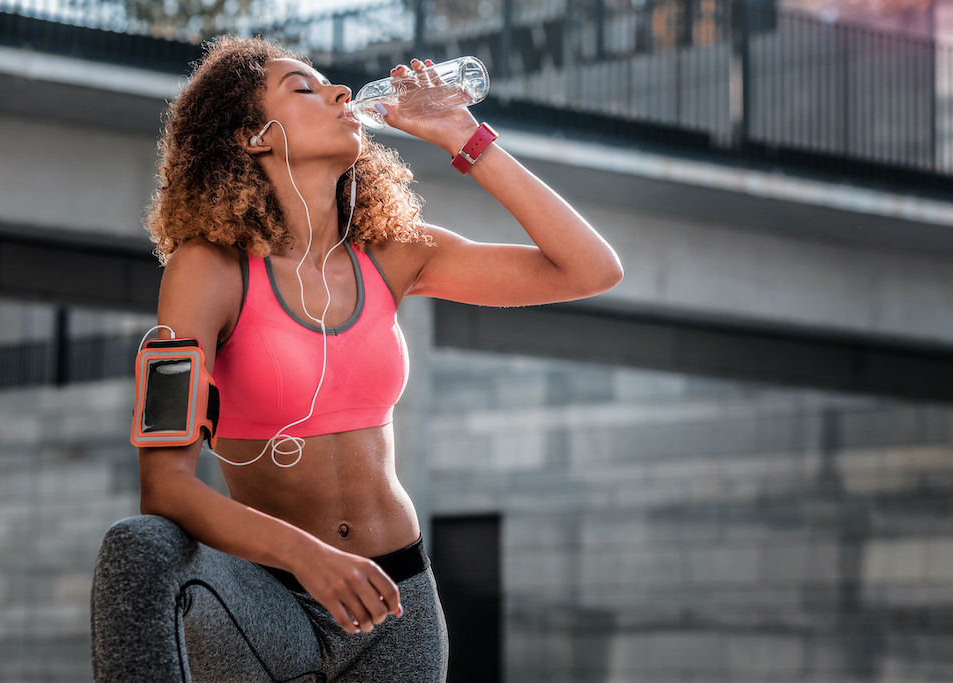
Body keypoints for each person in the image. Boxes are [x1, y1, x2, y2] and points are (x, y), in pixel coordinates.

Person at [90, 35, 622, 682]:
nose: (342, 92)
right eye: (305, 88)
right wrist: (307, 555)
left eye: (333, 83)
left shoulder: (393, 252)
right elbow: (164, 486)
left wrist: (464, 136)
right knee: (138, 547)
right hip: (265, 600)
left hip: (393, 603)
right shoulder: (208, 270)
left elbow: (590, 269)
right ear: (252, 137)